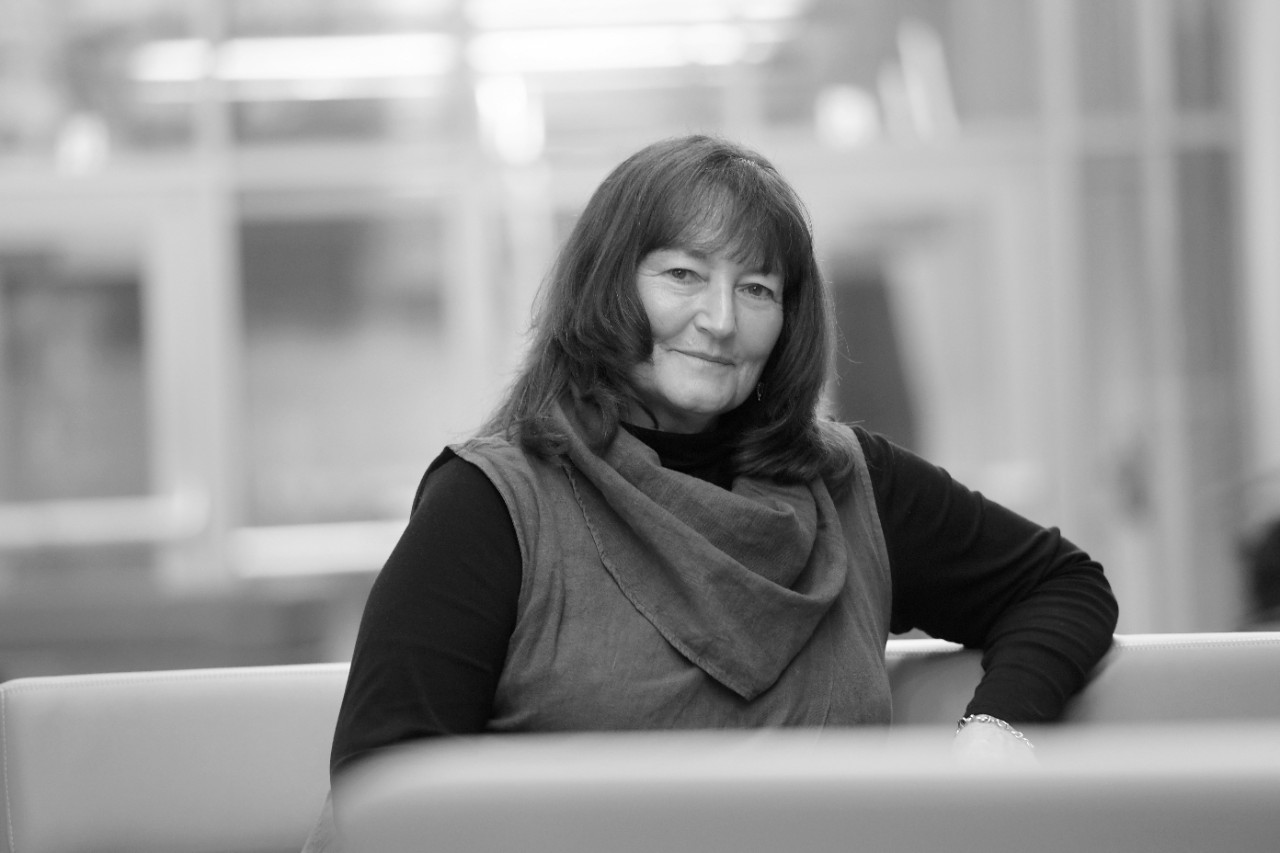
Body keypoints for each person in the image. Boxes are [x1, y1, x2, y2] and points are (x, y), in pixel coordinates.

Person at [307, 134, 1118, 848]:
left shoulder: (846, 482)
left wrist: (997, 730)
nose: (721, 319)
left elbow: (1061, 584)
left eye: (758, 289)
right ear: (608, 289)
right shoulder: (490, 504)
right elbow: (387, 791)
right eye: (684, 274)